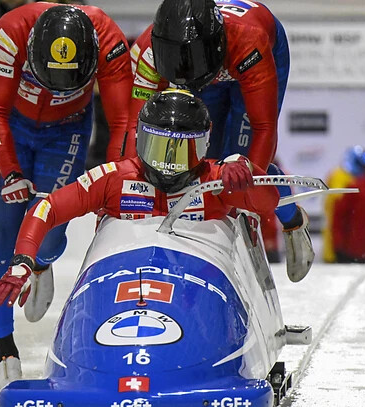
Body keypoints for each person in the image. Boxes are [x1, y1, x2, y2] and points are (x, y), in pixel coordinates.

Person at [0, 90, 304, 310]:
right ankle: (44, 268)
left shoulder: (218, 180)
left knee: (270, 174)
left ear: (203, 146)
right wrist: (23, 260)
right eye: (158, 147)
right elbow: (49, 207)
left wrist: (247, 170)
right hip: (122, 280)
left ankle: (296, 224)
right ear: (140, 139)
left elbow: (268, 201)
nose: (167, 163)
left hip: (196, 282)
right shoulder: (114, 178)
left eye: (180, 151)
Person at [0, 3, 132, 390]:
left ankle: (42, 264)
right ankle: (5, 350)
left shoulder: (109, 41)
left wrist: (119, 184)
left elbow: (123, 123)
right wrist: (10, 171)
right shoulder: (9, 32)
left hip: (66, 130)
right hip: (10, 126)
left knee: (49, 228)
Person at [124, 0, 312, 281]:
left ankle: (293, 220)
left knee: (236, 161)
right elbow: (134, 126)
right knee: (196, 161)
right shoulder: (148, 53)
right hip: (208, 70)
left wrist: (245, 197)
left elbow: (263, 127)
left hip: (252, 62)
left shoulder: (250, 43)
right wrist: (128, 188)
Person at [323, 146, 365, 263]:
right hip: (338, 238)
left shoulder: (356, 180)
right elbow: (338, 206)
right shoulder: (340, 176)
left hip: (352, 240)